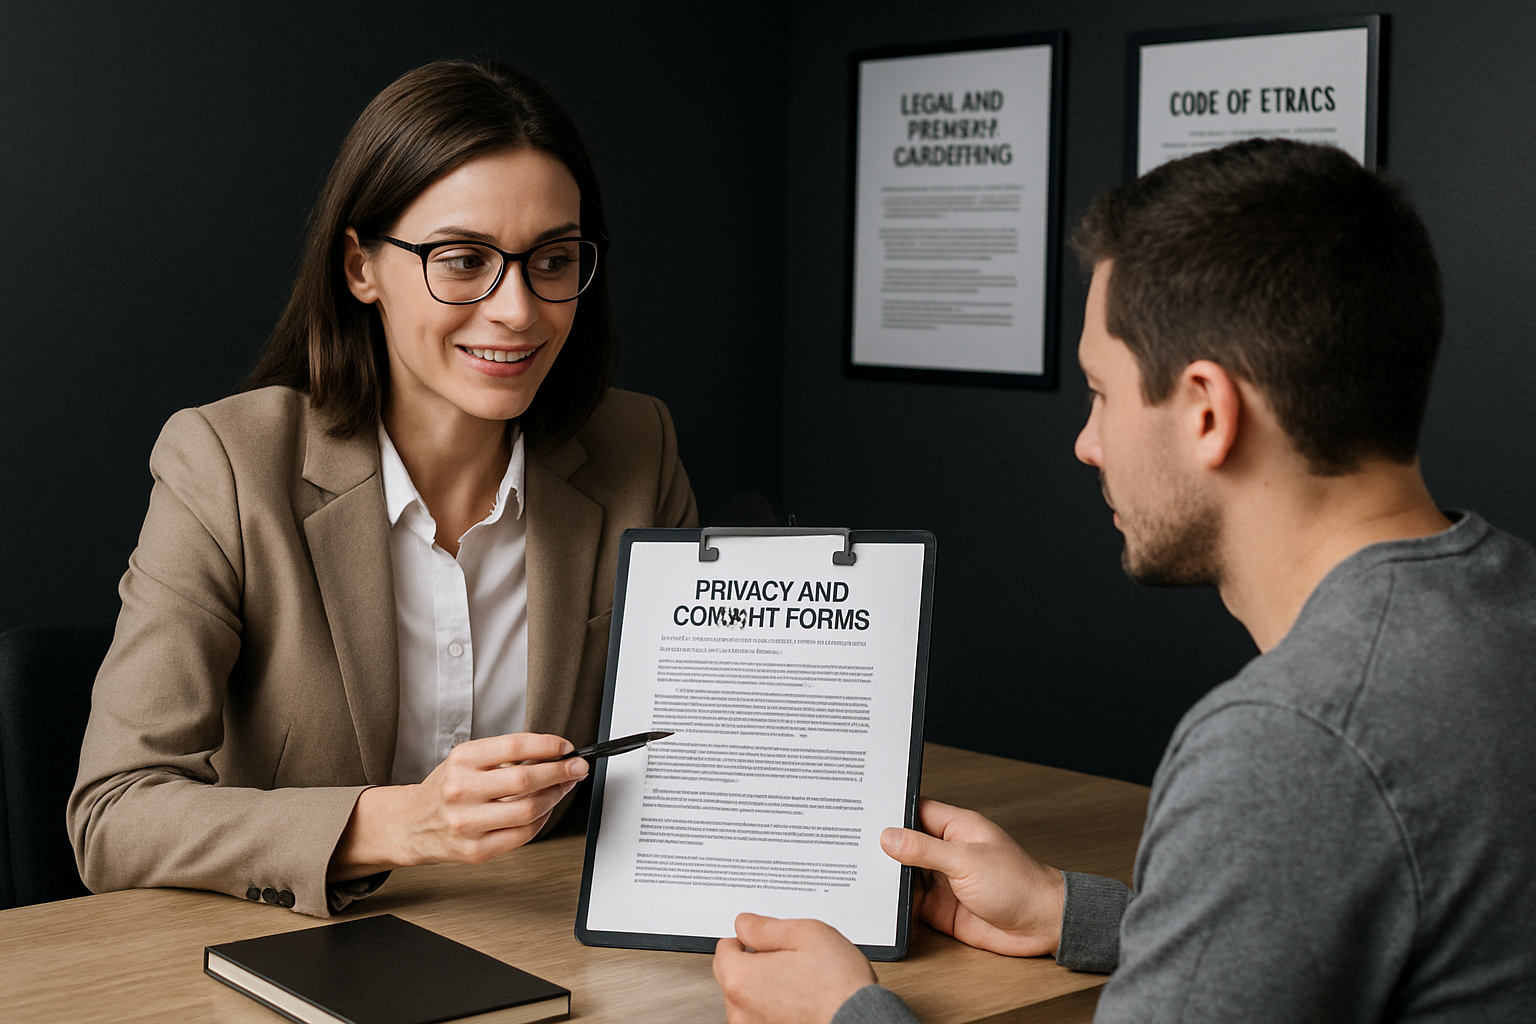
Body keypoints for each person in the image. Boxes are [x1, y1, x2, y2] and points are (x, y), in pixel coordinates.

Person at [711, 139, 1536, 1022]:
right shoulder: (1508, 603)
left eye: (1102, 393)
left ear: (1208, 412)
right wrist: (1074, 913)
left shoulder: (1290, 743)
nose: (1086, 442)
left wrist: (845, 1013)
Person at [68, 60, 697, 918]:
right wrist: (403, 824)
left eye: (553, 259)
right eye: (464, 259)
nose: (518, 308)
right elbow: (113, 814)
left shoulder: (639, 448)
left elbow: (698, 754)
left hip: (543, 939)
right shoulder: (224, 463)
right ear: (361, 267)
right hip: (285, 958)